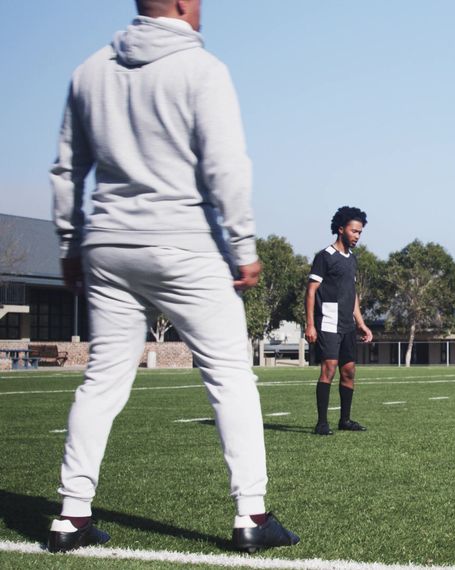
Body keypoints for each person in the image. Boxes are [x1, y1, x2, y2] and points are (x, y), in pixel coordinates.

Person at [48, 0, 297, 553]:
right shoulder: (203, 70)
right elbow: (226, 163)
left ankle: (70, 516)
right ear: (184, 4)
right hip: (185, 243)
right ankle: (252, 515)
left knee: (102, 381)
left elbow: (68, 169)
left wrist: (69, 245)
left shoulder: (88, 70)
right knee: (230, 375)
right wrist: (244, 246)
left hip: (108, 246)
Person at [305, 206, 374, 436]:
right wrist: (310, 324)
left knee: (349, 371)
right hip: (327, 321)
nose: (357, 236)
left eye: (360, 232)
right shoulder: (324, 257)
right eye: (354, 231)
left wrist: (361, 323)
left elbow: (352, 294)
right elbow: (311, 291)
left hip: (347, 324)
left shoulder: (351, 259)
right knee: (330, 368)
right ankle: (322, 423)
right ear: (341, 229)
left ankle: (345, 420)